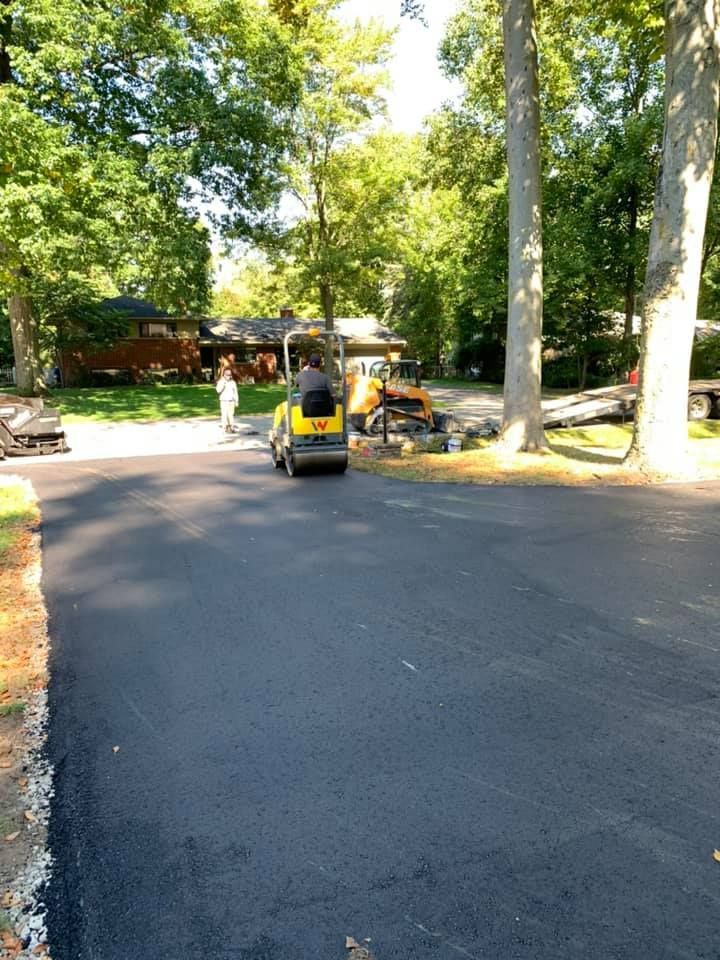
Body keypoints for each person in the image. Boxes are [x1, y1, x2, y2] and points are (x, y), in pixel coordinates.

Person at [216, 367, 239, 432]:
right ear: (224, 375)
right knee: (224, 414)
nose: (229, 376)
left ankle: (231, 426)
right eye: (227, 374)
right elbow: (218, 391)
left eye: (230, 374)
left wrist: (236, 401)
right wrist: (223, 385)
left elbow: (235, 392)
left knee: (231, 414)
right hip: (224, 401)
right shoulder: (221, 382)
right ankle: (224, 427)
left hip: (231, 401)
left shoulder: (233, 382)